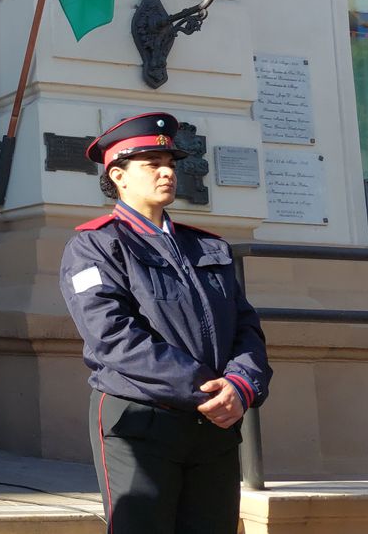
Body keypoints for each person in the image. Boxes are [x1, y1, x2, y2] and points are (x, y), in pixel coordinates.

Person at [58, 112, 271, 534]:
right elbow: (112, 337)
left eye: (170, 163)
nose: (167, 172)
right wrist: (206, 388)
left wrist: (242, 384)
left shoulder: (209, 245)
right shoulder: (95, 246)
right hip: (141, 419)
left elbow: (245, 326)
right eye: (152, 164)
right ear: (118, 175)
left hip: (214, 426)